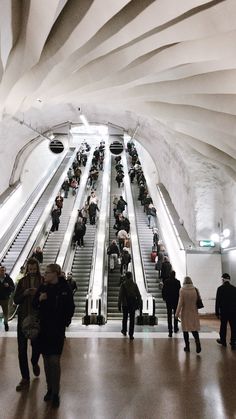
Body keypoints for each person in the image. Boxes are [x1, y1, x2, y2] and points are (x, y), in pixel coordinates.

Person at [33, 264, 75, 408]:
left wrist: (65, 321)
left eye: (47, 272)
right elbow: (34, 304)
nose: (44, 274)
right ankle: (49, 389)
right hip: (43, 330)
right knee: (46, 360)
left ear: (55, 274)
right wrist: (40, 299)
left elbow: (70, 307)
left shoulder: (64, 288)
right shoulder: (43, 287)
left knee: (54, 361)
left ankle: (56, 392)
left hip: (57, 330)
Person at [14, 258, 43, 391]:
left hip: (37, 319)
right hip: (23, 319)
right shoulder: (22, 282)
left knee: (36, 346)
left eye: (34, 269)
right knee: (21, 349)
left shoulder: (43, 281)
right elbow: (16, 299)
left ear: (37, 268)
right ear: (27, 269)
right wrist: (25, 293)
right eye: (30, 269)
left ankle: (34, 362)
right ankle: (25, 377)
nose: (32, 271)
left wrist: (38, 294)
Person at [175, 276, 202, 353]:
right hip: (194, 311)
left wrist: (176, 314)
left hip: (185, 312)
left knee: (185, 330)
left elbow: (180, 303)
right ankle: (198, 343)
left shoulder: (182, 290)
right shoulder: (195, 289)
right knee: (194, 329)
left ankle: (187, 347)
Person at [118, 271, 141, 340]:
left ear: (126, 276)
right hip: (132, 303)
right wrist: (139, 303)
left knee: (125, 318)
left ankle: (124, 330)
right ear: (131, 276)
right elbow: (138, 295)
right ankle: (131, 334)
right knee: (132, 319)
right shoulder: (134, 284)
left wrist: (119, 304)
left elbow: (120, 295)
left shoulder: (123, 285)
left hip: (125, 303)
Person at [215, 273, 236, 349]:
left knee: (223, 326)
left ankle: (223, 341)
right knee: (233, 327)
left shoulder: (220, 289)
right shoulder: (234, 288)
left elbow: (217, 302)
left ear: (223, 279)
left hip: (224, 311)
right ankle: (233, 342)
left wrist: (217, 312)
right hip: (233, 311)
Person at [162, 271, 181, 337]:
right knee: (176, 315)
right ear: (174, 275)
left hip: (169, 301)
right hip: (175, 300)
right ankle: (175, 328)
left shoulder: (166, 282)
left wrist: (164, 298)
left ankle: (170, 330)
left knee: (169, 315)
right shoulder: (177, 282)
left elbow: (163, 290)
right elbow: (179, 292)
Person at [0, 265, 15, 331]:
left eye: (3, 270)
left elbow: (13, 288)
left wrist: (8, 286)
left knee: (5, 312)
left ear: (5, 271)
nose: (1, 272)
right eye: (0, 271)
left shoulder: (8, 279)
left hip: (5, 298)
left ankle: (6, 324)